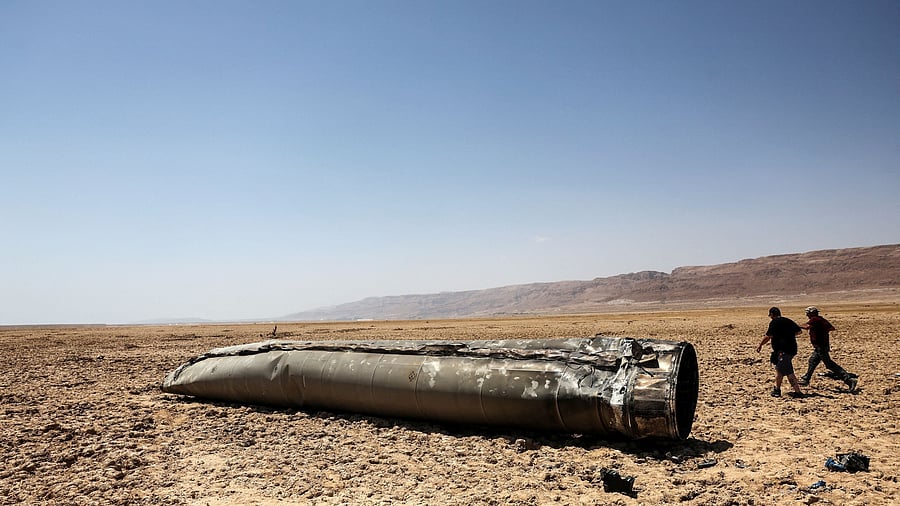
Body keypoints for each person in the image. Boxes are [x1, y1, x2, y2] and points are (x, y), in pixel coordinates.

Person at [798, 306, 858, 391]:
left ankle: (849, 380)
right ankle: (806, 379)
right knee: (812, 361)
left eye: (807, 313)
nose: (806, 315)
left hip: (821, 346)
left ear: (811, 313)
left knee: (829, 364)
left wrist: (796, 325)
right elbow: (831, 328)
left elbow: (807, 327)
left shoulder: (815, 319)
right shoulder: (821, 320)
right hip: (821, 346)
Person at [757, 307, 804, 398]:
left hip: (783, 351)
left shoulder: (774, 323)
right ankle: (777, 389)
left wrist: (760, 345)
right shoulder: (788, 321)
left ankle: (798, 392)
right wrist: (788, 335)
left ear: (772, 314)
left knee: (788, 371)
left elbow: (768, 336)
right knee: (780, 370)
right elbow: (799, 332)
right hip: (792, 349)